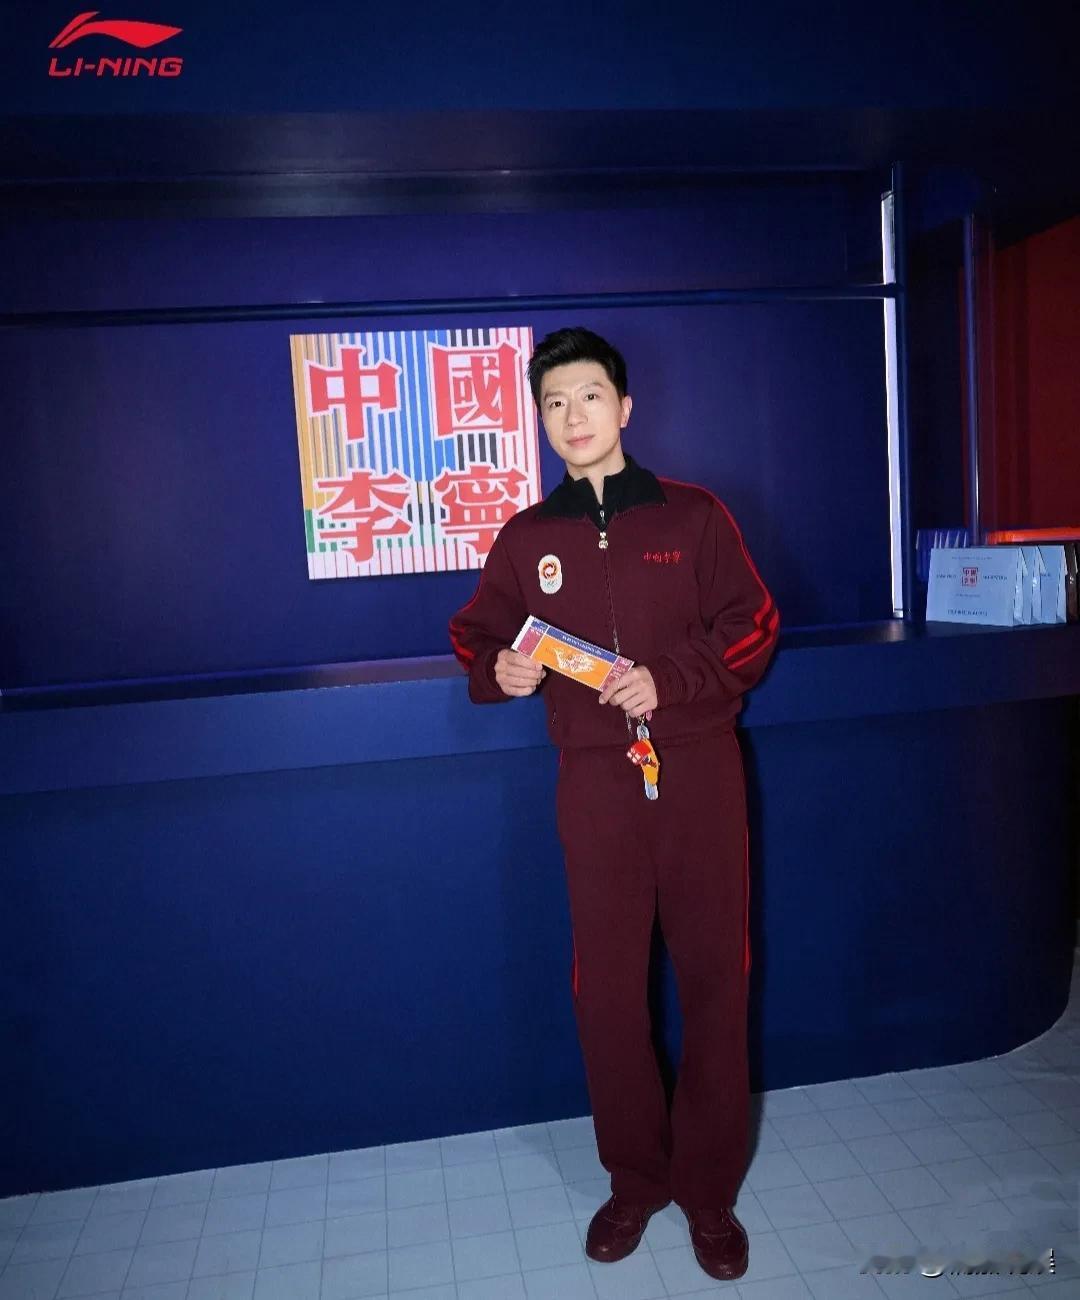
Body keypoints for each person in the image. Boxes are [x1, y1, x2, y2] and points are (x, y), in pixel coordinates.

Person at [447, 326, 779, 1282]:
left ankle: (708, 1192)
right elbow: (475, 634)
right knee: (607, 990)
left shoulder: (693, 515)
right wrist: (499, 671)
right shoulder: (527, 537)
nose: (573, 416)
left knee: (716, 979)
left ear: (625, 407)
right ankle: (636, 1180)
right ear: (541, 420)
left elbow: (755, 624)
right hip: (594, 784)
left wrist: (671, 680)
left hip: (699, 773)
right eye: (554, 403)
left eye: (589, 395)